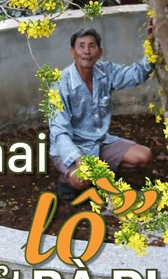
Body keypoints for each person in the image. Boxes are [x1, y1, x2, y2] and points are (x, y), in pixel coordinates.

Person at [49, 25, 155, 199]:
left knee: (143, 156)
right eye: (81, 46)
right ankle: (65, 177)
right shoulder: (60, 83)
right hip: (72, 148)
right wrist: (78, 160)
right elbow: (58, 132)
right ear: (72, 52)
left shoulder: (106, 72)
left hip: (99, 142)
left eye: (92, 46)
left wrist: (151, 44)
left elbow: (137, 74)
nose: (86, 51)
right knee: (82, 179)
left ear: (99, 52)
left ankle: (100, 174)